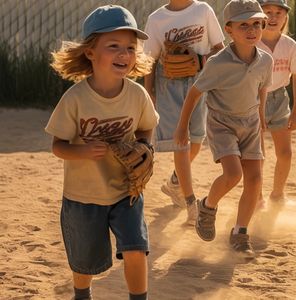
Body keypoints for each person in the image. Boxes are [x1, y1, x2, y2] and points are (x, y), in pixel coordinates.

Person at [46, 5, 159, 300]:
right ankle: (81, 295)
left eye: (130, 47)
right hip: (83, 196)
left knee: (136, 249)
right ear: (91, 52)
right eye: (113, 46)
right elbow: (58, 147)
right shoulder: (75, 99)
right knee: (85, 261)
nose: (124, 54)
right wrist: (82, 151)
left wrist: (145, 146)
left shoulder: (137, 95)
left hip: (126, 191)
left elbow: (147, 128)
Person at [174, 0, 273, 258]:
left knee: (255, 179)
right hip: (222, 124)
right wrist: (182, 127)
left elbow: (261, 89)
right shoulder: (218, 63)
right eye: (244, 25)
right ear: (229, 30)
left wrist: (261, 120)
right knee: (233, 175)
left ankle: (240, 232)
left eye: (256, 24)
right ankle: (207, 207)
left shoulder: (266, 61)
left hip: (250, 123)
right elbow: (195, 93)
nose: (252, 30)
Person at [143, 0, 225, 224]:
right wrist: (149, 91)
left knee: (196, 141)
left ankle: (174, 183)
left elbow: (219, 47)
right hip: (168, 83)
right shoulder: (157, 19)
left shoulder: (203, 10)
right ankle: (191, 203)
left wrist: (209, 64)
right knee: (181, 142)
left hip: (200, 79)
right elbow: (149, 60)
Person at [255, 0, 296, 209]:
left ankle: (277, 195)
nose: (273, 17)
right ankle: (256, 197)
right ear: (258, 16)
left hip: (279, 100)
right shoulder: (252, 44)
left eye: (279, 12)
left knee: (285, 153)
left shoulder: (289, 45)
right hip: (253, 100)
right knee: (257, 154)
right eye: (267, 12)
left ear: (285, 17)